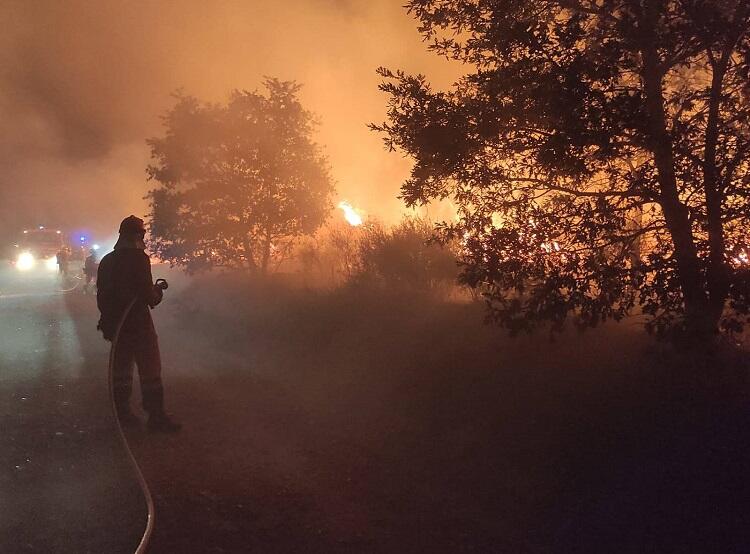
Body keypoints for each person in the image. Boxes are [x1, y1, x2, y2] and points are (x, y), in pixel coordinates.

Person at [96, 215, 181, 432]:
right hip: (138, 323)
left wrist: (108, 322)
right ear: (137, 235)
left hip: (117, 325)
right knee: (150, 368)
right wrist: (158, 291)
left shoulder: (106, 261)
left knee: (121, 370)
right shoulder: (138, 258)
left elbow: (102, 297)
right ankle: (156, 417)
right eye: (141, 233)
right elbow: (147, 296)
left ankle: (122, 415)